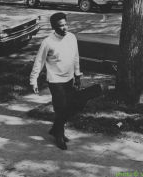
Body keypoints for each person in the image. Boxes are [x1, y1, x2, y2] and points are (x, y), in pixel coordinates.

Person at [30, 12, 101, 150]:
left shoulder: (72, 38)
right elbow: (39, 62)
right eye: (60, 26)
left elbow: (75, 57)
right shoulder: (48, 42)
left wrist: (78, 75)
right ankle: (59, 136)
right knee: (61, 107)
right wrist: (33, 80)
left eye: (65, 24)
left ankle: (56, 128)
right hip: (55, 80)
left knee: (75, 104)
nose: (65, 28)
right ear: (54, 27)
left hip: (69, 79)